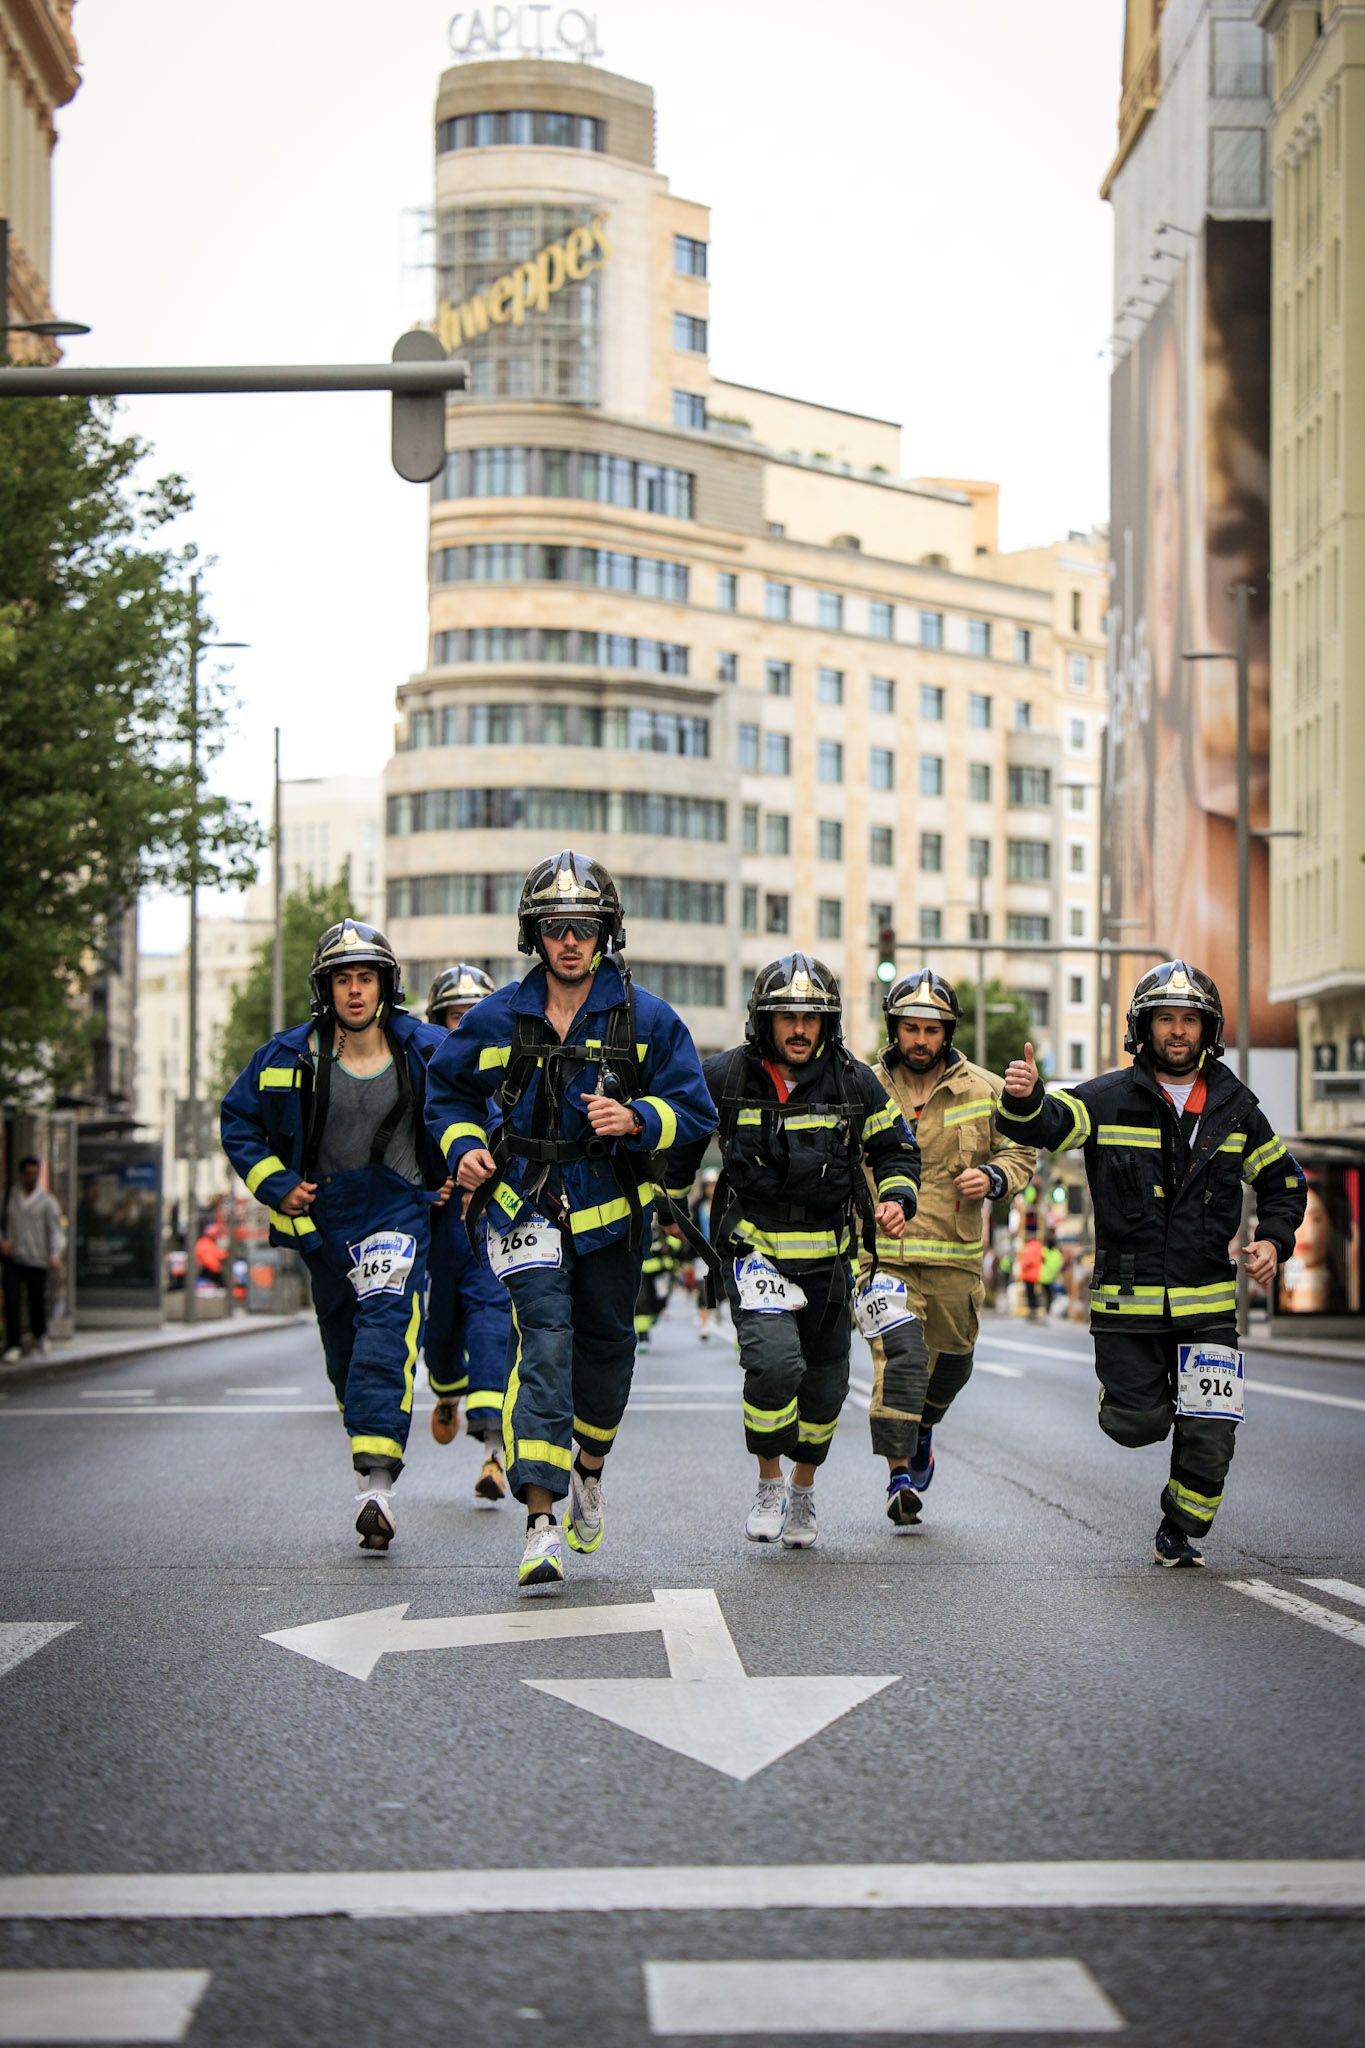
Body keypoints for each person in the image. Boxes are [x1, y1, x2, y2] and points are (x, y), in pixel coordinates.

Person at [424, 851, 715, 1592]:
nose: (570, 940)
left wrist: (638, 1116)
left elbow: (693, 1109)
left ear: (605, 933)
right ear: (535, 935)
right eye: (555, 927)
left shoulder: (647, 1019)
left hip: (613, 1216)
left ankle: (589, 1466)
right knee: (544, 1347)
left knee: (607, 1352)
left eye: (584, 926)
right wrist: (462, 1149)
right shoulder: (495, 1018)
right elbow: (446, 1093)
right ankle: (540, 1521)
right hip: (525, 1211)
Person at [997, 960, 1307, 1567]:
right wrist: (1028, 1098)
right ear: (1144, 1027)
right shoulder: (1109, 1098)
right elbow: (1051, 1124)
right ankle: (1135, 1404)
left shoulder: (1238, 1110)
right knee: (1135, 1423)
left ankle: (1180, 1526)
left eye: (1189, 1020)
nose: (1177, 1031)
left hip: (1208, 1305)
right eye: (1165, 1019)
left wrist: (1274, 1239)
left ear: (1207, 1030)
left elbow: (1284, 1184)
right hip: (1126, 1305)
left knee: (1211, 1428)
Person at [669, 953, 922, 1550]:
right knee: (775, 1366)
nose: (800, 1028)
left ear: (827, 1023)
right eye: (787, 1016)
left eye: (812, 1016)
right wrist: (667, 1197)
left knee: (826, 1387)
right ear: (763, 1020)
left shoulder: (854, 1081)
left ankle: (803, 1491)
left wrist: (896, 1198)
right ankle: (768, 1480)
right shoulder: (725, 1077)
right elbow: (678, 1138)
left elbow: (897, 1150)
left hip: (830, 1263)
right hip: (754, 1256)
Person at [221, 919, 448, 1551]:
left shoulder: (426, 1048)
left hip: (397, 1211)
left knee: (385, 1328)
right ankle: (366, 1460)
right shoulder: (287, 1055)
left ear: (385, 985)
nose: (355, 990)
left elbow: (468, 1106)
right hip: (323, 1218)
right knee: (344, 1347)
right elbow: (238, 1121)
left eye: (366, 978)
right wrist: (277, 1184)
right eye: (343, 979)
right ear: (328, 988)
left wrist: (457, 1165)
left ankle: (377, 1488)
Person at [861, 972, 1037, 1527]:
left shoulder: (984, 1089)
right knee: (901, 1358)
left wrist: (993, 1176)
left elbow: (1021, 1153)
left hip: (955, 1261)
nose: (919, 1040)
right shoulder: (862, 1086)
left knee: (952, 1366)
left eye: (930, 1030)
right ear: (895, 1029)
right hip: (882, 1256)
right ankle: (899, 1476)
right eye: (910, 1028)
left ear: (947, 1033)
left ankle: (924, 1427)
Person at [423, 964, 514, 1503]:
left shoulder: (508, 1076)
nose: (463, 1027)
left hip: (490, 1219)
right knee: (442, 1328)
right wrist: (424, 1188)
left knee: (490, 1322)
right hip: (439, 1223)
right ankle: (446, 1393)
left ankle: (492, 1453)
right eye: (455, 1017)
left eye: (472, 1017)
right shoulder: (424, 1076)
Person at [1, 1157, 67, 1362]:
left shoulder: (46, 1201)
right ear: (21, 1175)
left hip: (38, 1259)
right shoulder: (8, 1198)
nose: (32, 1177)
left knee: (36, 1300)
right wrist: (2, 1242)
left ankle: (40, 1335)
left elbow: (56, 1231)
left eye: (35, 1173)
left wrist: (55, 1253)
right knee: (12, 1301)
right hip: (13, 1258)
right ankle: (13, 1344)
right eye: (28, 1173)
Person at [1016, 1233, 1045, 1318]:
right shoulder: (1039, 1247)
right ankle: (1033, 1307)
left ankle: (1032, 1307)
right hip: (1034, 1274)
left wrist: (1023, 1264)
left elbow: (1028, 1260)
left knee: (1030, 1292)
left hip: (1029, 1274)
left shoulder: (1031, 1247)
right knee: (1032, 1292)